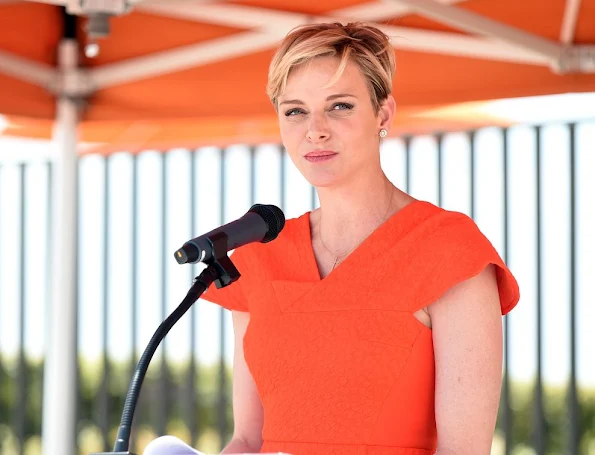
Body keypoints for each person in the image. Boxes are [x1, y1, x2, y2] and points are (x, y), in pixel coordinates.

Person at [143, 22, 520, 455]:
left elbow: (464, 451)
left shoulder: (451, 251)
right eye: (295, 110)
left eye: (339, 106)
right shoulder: (259, 256)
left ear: (383, 114)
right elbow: (248, 440)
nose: (315, 129)